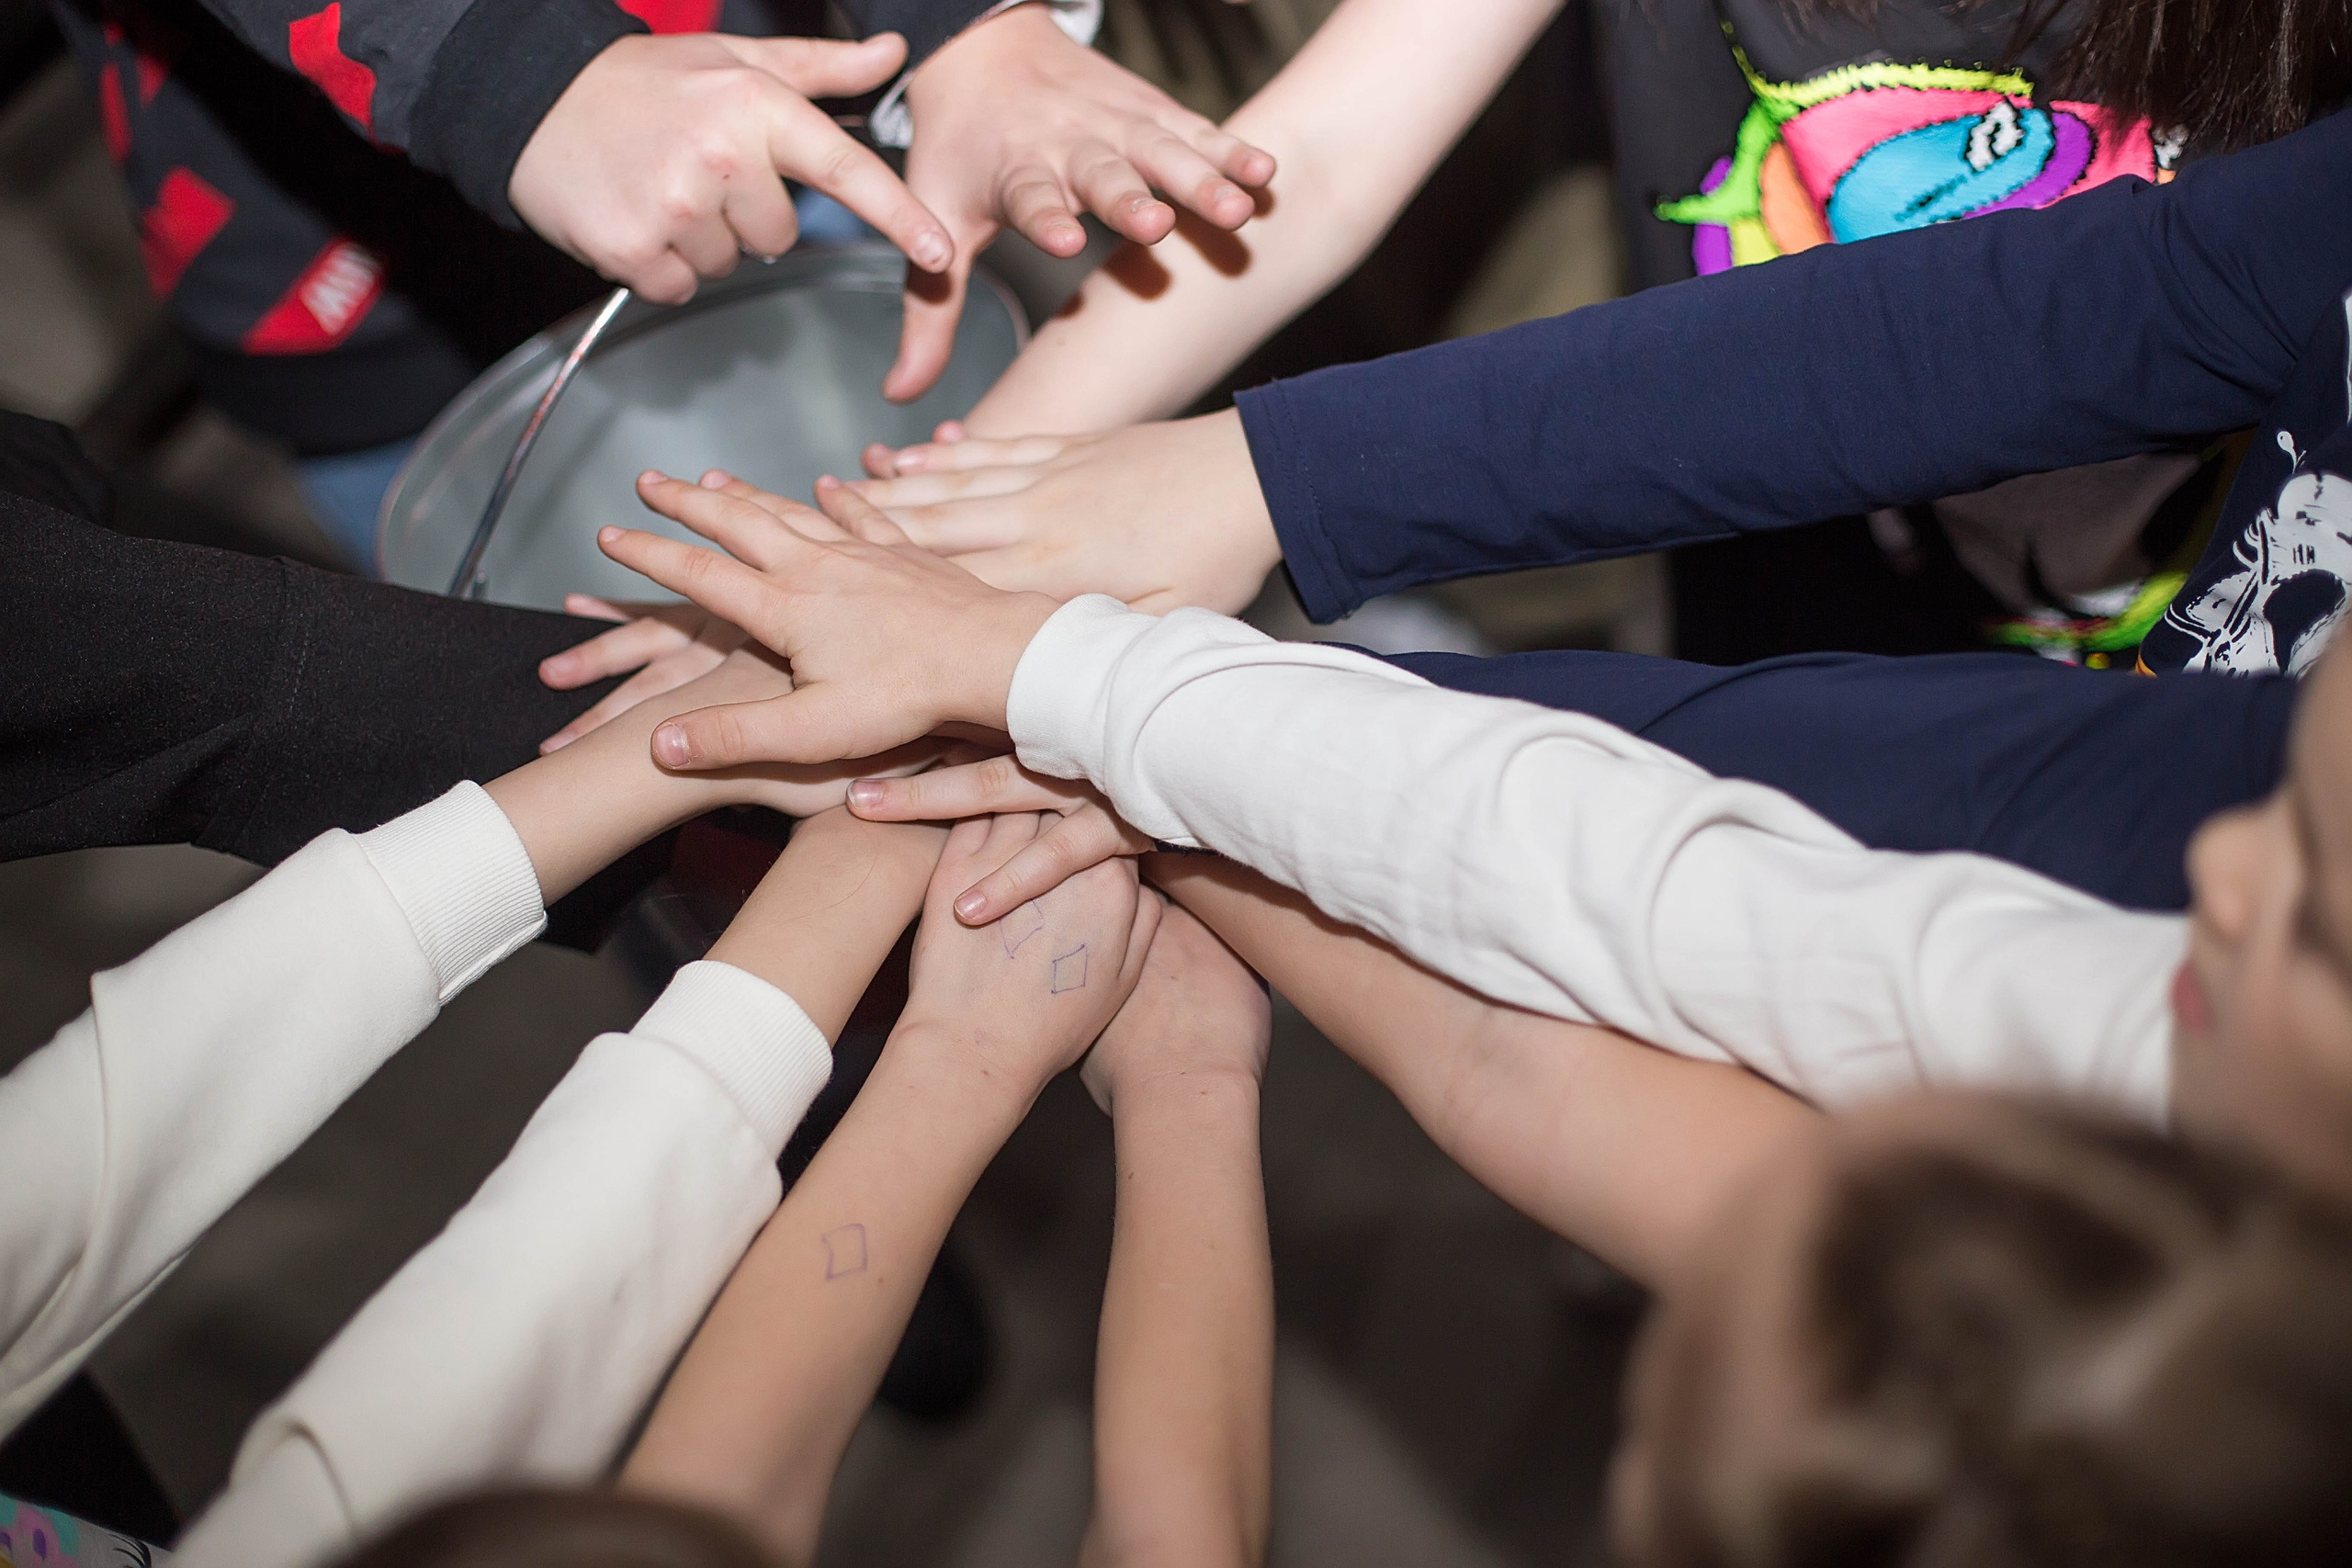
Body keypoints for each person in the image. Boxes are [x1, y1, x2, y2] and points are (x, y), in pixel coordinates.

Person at [588, 469, 2352, 1207]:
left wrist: (1063, 693)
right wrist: (1087, 710)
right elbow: (1641, 901)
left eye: (2325, 923)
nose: (2217, 860)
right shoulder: (2150, 1020)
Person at [56, 0, 1275, 560]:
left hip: (748, 140)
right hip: (368, 318)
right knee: (677, 779)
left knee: (988, 559)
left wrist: (952, 17)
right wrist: (506, 74)